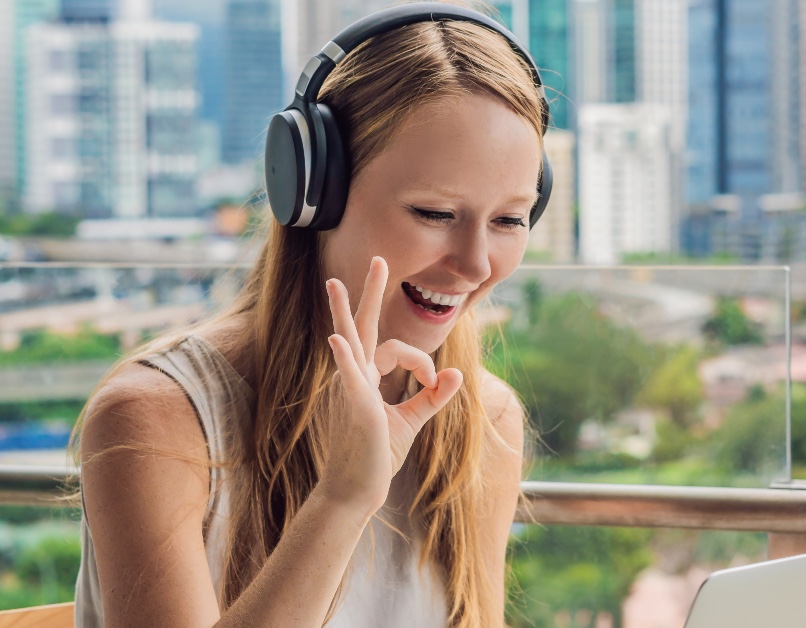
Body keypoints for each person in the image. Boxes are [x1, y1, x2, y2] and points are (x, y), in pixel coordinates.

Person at [71, 1, 550, 626]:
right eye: (434, 213)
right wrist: (343, 500)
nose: (476, 264)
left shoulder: (482, 421)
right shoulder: (156, 421)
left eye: (510, 219)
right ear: (312, 192)